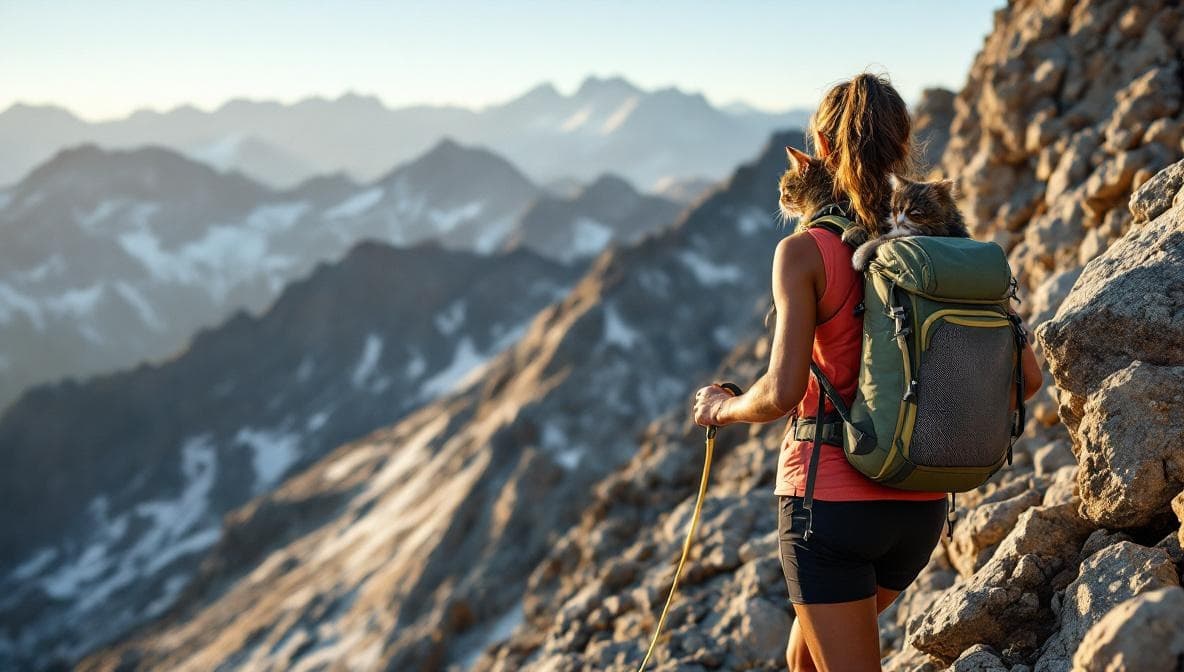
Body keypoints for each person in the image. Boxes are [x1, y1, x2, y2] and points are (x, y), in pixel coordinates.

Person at [691, 73, 1043, 672]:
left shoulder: (803, 252)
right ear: (902, 145)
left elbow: (780, 393)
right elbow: (1027, 380)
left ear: (823, 149)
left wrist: (719, 408)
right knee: (806, 661)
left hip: (830, 507)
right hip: (923, 501)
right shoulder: (940, 242)